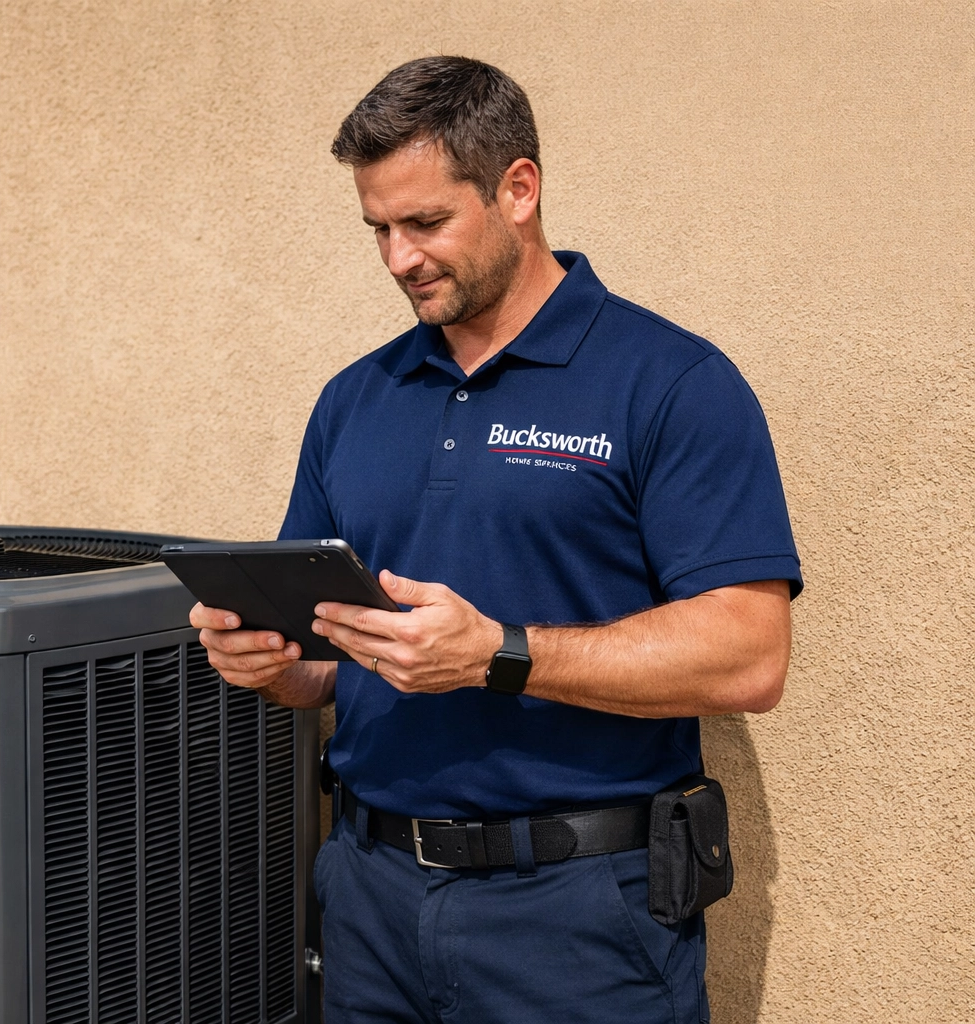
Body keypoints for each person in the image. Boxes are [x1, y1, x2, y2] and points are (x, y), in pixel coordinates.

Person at [191, 56, 801, 1024]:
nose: (398, 257)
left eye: (425, 223)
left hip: (579, 915)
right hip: (370, 896)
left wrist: (498, 654)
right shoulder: (356, 397)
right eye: (378, 229)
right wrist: (268, 662)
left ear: (519, 188)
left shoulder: (672, 381)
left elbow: (748, 658)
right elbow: (327, 663)